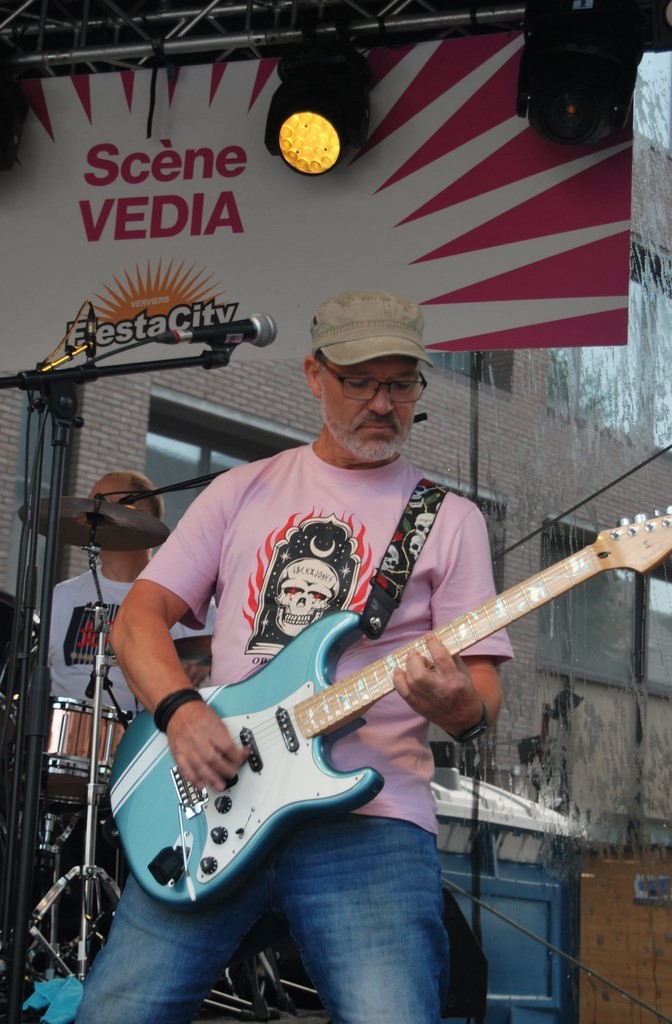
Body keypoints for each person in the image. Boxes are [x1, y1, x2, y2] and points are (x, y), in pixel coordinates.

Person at [74, 290, 513, 1024]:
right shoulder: (240, 490)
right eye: (360, 382)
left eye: (401, 384)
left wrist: (461, 708)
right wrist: (180, 713)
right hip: (219, 798)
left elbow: (482, 690)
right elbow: (138, 621)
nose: (383, 403)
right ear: (314, 374)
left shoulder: (449, 519)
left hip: (371, 821)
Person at [48, 471, 213, 716]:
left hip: (147, 736)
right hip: (62, 733)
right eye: (89, 506)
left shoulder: (189, 602)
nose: (91, 515)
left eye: (102, 505)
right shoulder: (62, 596)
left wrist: (210, 663)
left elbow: (220, 663)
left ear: (142, 518)